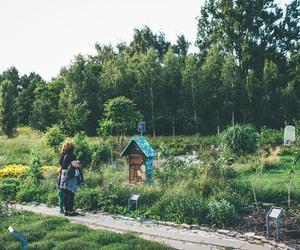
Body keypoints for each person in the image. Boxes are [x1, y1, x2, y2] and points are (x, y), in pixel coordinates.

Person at [59, 142, 81, 216]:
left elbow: (61, 166)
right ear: (72, 148)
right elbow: (75, 165)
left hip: (63, 174)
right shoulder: (72, 155)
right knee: (71, 193)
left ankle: (66, 211)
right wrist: (79, 165)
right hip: (70, 175)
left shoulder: (63, 155)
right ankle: (71, 211)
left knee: (65, 193)